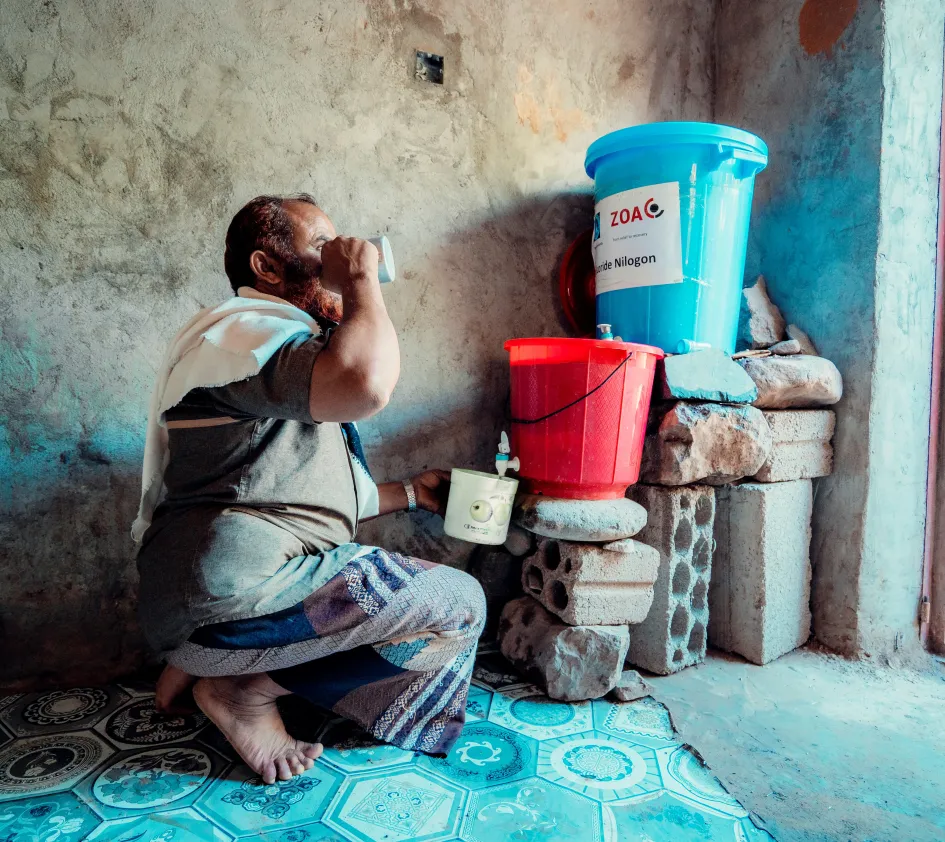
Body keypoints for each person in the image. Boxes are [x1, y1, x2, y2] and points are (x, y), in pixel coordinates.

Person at [134, 193, 486, 786]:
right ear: (267, 268)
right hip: (231, 591)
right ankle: (240, 689)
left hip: (211, 596)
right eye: (321, 245)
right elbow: (365, 384)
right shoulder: (243, 338)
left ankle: (200, 663)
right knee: (458, 603)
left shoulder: (274, 352)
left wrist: (412, 492)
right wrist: (361, 281)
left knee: (386, 599)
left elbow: (299, 494)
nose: (337, 255)